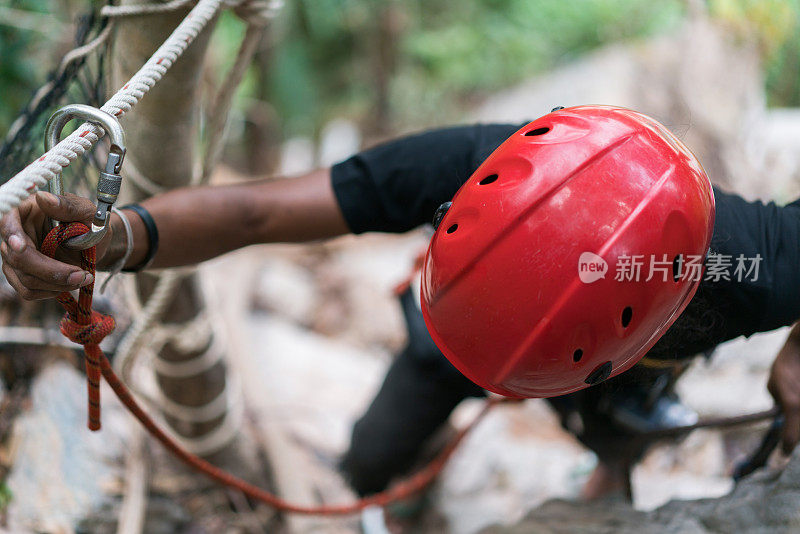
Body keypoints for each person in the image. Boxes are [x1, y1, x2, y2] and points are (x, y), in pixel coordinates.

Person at [1, 106, 799, 502]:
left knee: (621, 434)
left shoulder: (757, 267)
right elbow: (261, 213)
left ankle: (607, 480)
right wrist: (118, 238)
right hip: (446, 344)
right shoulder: (465, 163)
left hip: (633, 369)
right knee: (371, 462)